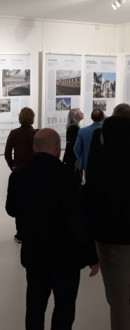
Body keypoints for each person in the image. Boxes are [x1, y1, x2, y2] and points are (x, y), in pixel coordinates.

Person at [5, 128, 99, 330]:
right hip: (65, 255)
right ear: (57, 147)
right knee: (64, 307)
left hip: (35, 253)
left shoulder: (18, 176)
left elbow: (11, 209)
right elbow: (79, 220)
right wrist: (92, 256)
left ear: (34, 148)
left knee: (35, 306)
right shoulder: (68, 176)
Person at [85, 103, 130, 330]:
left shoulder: (101, 155)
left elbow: (93, 196)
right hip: (115, 232)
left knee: (120, 300)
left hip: (112, 236)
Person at [4, 107, 37, 243]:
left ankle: (20, 233)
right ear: (32, 118)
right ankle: (33, 230)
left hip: (19, 171)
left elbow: (7, 153)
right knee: (34, 201)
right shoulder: (36, 133)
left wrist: (13, 167)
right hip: (34, 171)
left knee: (20, 201)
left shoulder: (14, 133)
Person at [73, 108, 105, 178]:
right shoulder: (107, 130)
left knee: (89, 184)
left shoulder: (82, 131)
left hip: (88, 163)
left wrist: (81, 159)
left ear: (91, 118)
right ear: (103, 117)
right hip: (105, 163)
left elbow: (76, 148)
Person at [62, 108, 84, 183]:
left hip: (71, 158)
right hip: (73, 160)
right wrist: (77, 159)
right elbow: (74, 146)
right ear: (76, 116)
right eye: (80, 113)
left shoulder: (72, 128)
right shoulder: (74, 128)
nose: (82, 113)